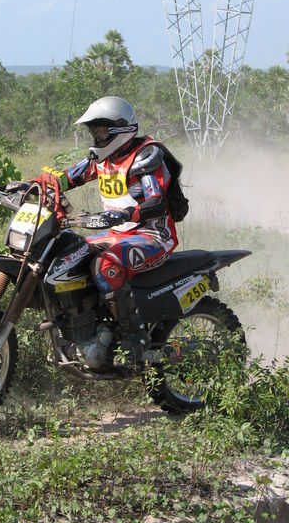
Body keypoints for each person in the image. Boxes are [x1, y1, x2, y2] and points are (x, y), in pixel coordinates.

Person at [30, 96, 179, 367]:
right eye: (93, 131)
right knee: (68, 254)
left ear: (120, 129)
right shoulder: (101, 159)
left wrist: (126, 213)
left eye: (101, 130)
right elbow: (67, 177)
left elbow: (157, 201)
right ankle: (86, 328)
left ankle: (134, 339)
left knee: (105, 265)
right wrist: (34, 184)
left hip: (152, 236)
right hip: (118, 234)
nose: (96, 136)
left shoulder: (145, 156)